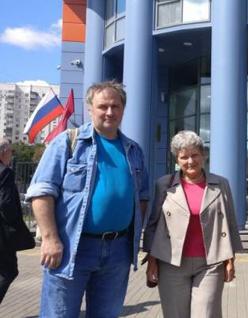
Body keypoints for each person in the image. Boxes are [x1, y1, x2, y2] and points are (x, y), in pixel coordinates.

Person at [25, 81, 149, 317]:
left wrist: (135, 235)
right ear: (90, 109)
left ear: (123, 109)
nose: (110, 112)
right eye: (103, 106)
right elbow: (41, 192)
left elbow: (142, 197)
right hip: (72, 248)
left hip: (117, 251)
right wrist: (50, 239)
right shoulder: (67, 143)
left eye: (116, 106)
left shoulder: (134, 150)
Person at [143, 130, 242, 318]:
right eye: (184, 157)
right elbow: (153, 224)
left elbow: (229, 223)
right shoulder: (164, 184)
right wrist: (151, 261)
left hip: (211, 263)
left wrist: (231, 259)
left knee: (206, 314)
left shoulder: (221, 184)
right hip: (171, 262)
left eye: (194, 155)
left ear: (203, 155)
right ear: (177, 160)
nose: (190, 161)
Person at [0, 140, 28, 303]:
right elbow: (6, 203)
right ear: (3, 152)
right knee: (9, 271)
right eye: (11, 151)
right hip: (3, 235)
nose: (12, 155)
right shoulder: (5, 173)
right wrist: (16, 224)